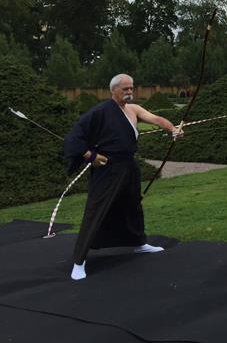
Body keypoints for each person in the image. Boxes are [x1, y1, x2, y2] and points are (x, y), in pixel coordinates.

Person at [63, 74, 181, 280]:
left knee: (132, 205)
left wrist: (172, 129)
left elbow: (155, 118)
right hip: (108, 168)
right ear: (113, 91)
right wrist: (90, 155)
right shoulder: (100, 112)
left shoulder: (133, 109)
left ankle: (138, 243)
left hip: (129, 166)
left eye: (131, 88)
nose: (129, 92)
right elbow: (73, 138)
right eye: (125, 89)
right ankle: (79, 261)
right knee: (96, 209)